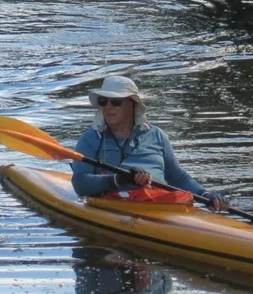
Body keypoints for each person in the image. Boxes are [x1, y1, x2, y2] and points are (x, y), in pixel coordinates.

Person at [69, 75, 228, 210]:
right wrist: (118, 179)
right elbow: (80, 184)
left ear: (132, 104)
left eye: (116, 102)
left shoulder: (156, 135)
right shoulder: (91, 139)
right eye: (103, 101)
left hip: (162, 203)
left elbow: (177, 177)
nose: (108, 107)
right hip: (119, 204)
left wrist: (204, 194)